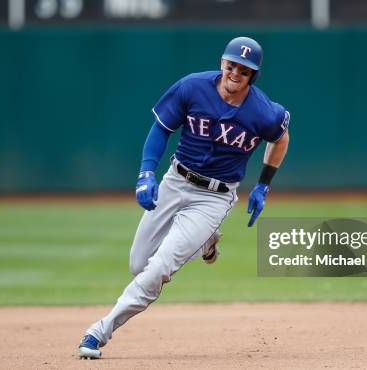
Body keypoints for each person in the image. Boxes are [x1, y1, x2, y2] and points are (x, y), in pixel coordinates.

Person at [78, 36, 290, 359]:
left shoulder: (264, 112)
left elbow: (281, 137)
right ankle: (206, 242)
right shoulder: (192, 87)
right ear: (222, 62)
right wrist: (146, 172)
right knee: (139, 264)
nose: (235, 72)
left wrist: (264, 184)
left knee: (160, 267)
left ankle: (100, 330)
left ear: (253, 76)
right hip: (176, 181)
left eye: (244, 70)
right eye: (231, 64)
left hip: (214, 198)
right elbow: (161, 128)